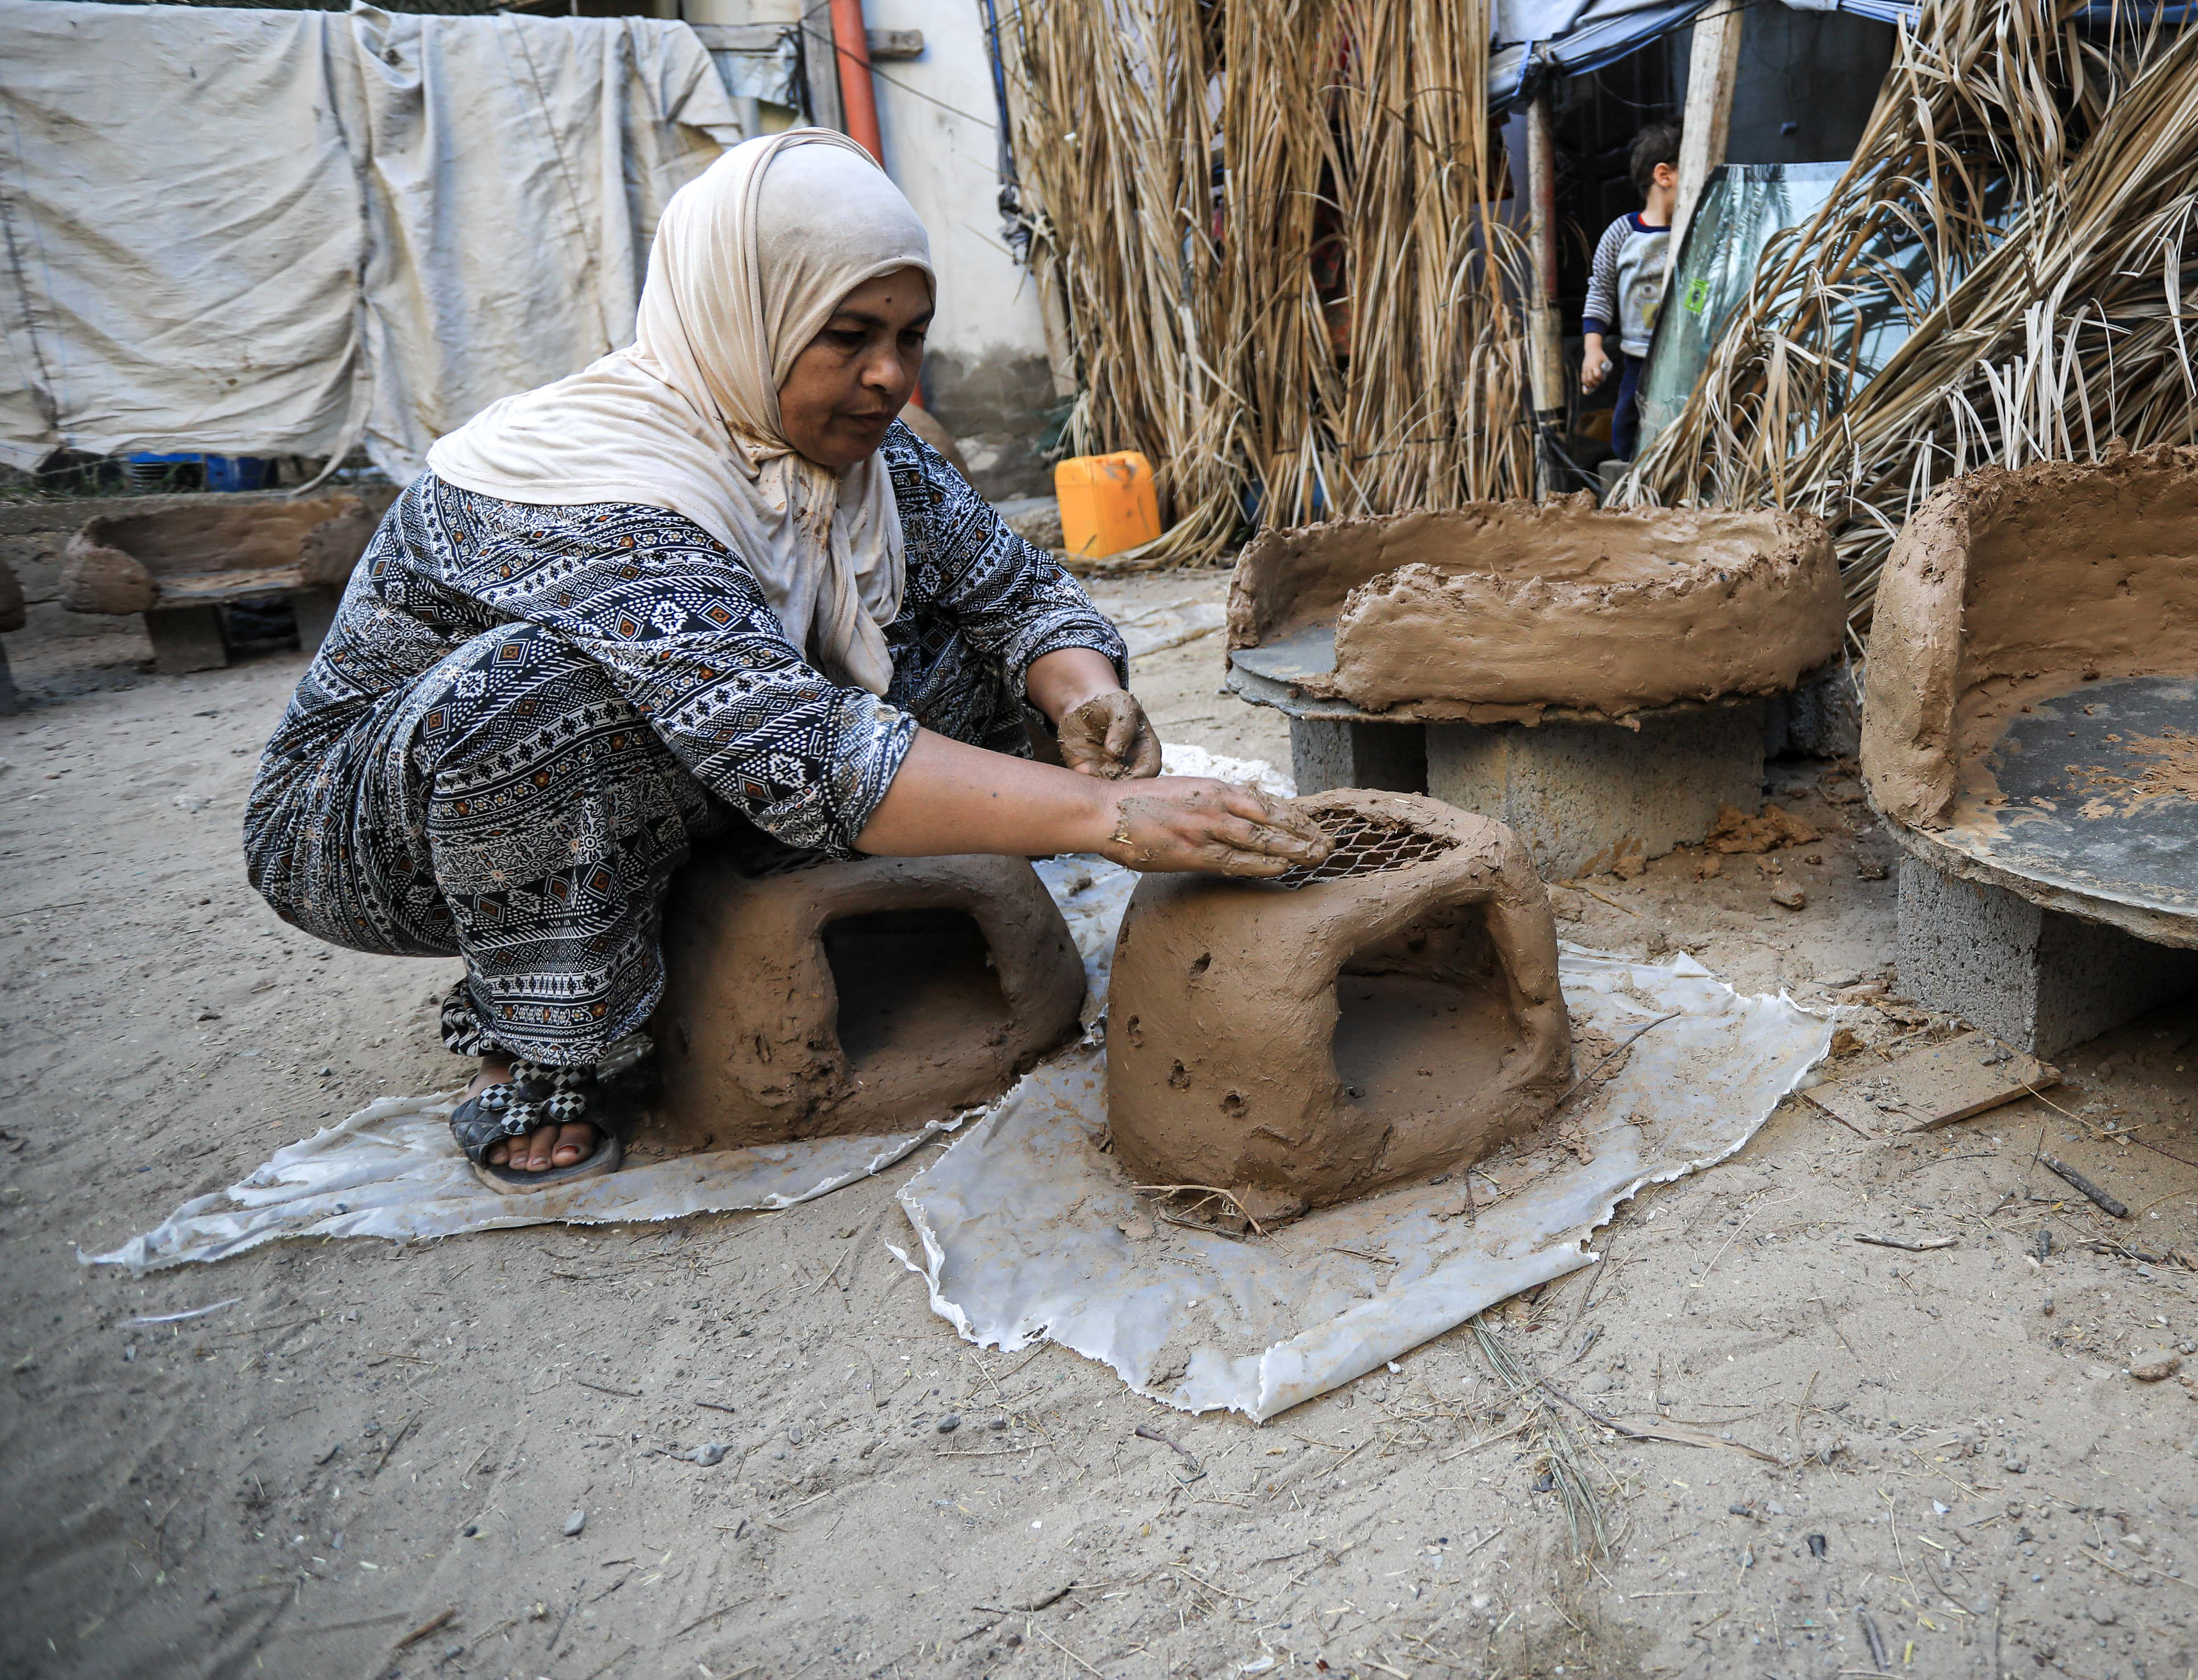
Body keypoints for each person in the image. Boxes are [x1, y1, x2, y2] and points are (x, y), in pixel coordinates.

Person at [242, 130, 1326, 1187]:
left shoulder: (862, 460)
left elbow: (1019, 594)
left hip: (708, 757)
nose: (888, 376)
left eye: (910, 338)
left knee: (960, 646)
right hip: (378, 832)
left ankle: (690, 891)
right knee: (549, 698)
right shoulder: (587, 481)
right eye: (847, 336)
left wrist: (1086, 693)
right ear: (746, 314)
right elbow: (795, 743)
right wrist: (1121, 820)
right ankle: (541, 1038)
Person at [1578, 118, 1682, 462]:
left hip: (1686, 358)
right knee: (1627, 432)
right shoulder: (1622, 234)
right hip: (1638, 357)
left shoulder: (1696, 231)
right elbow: (1601, 291)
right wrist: (1593, 349)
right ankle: (1632, 503)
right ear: (1664, 175)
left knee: (1682, 430)